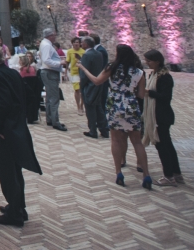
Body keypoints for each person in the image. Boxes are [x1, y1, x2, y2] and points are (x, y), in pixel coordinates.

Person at [0, 44, 42, 227]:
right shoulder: (13, 73)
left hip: (6, 130)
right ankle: (18, 206)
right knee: (15, 170)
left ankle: (15, 214)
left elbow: (3, 103)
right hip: (17, 126)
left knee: (7, 170)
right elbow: (30, 95)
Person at [79, 44, 152, 189]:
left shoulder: (111, 68)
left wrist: (84, 69)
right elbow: (141, 95)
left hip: (115, 105)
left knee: (116, 140)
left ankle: (118, 172)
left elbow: (97, 81)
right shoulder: (139, 72)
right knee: (137, 141)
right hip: (131, 105)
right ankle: (146, 175)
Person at [143, 49, 183, 186]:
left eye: (149, 61)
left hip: (161, 116)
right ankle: (176, 174)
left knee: (163, 147)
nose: (146, 63)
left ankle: (169, 176)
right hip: (157, 114)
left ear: (157, 61)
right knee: (167, 145)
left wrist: (149, 93)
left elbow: (165, 98)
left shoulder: (164, 77)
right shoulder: (154, 74)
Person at [78, 36, 109, 139]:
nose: (81, 44)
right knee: (98, 107)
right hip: (98, 84)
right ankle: (104, 130)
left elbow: (84, 74)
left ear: (86, 44)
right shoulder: (99, 54)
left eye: (82, 43)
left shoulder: (87, 55)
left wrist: (81, 85)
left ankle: (92, 131)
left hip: (89, 85)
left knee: (90, 108)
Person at [37, 28, 66, 131]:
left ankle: (50, 119)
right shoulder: (47, 45)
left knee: (50, 97)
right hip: (50, 72)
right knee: (54, 98)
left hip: (47, 72)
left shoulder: (44, 44)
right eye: (54, 35)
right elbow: (46, 60)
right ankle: (55, 121)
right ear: (50, 36)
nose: (55, 37)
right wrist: (60, 63)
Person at [18, 53, 41, 124]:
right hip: (33, 91)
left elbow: (20, 80)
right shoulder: (33, 68)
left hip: (25, 92)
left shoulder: (22, 70)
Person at [66, 37, 86, 116]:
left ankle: (82, 105)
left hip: (82, 72)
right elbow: (67, 61)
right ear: (72, 43)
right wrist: (65, 72)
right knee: (77, 90)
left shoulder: (83, 52)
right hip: (74, 72)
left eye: (77, 42)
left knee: (83, 90)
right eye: (74, 42)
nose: (76, 43)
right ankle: (78, 107)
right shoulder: (70, 51)